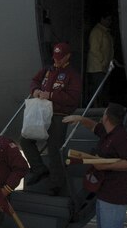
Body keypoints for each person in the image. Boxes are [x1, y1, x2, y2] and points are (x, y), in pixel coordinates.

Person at [21, 42, 82, 196]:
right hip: (41, 113)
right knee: (25, 140)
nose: (57, 60)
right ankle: (39, 168)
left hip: (58, 115)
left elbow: (73, 98)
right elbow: (34, 81)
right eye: (55, 57)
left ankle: (56, 184)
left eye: (60, 58)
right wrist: (35, 90)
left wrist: (51, 95)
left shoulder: (72, 75)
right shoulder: (47, 70)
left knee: (54, 149)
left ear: (68, 56)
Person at [86, 12, 114, 106]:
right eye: (108, 19)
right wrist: (103, 61)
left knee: (104, 90)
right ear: (102, 19)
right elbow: (94, 49)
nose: (110, 22)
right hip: (97, 67)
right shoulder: (96, 32)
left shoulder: (106, 32)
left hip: (105, 67)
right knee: (97, 89)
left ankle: (101, 107)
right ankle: (94, 108)